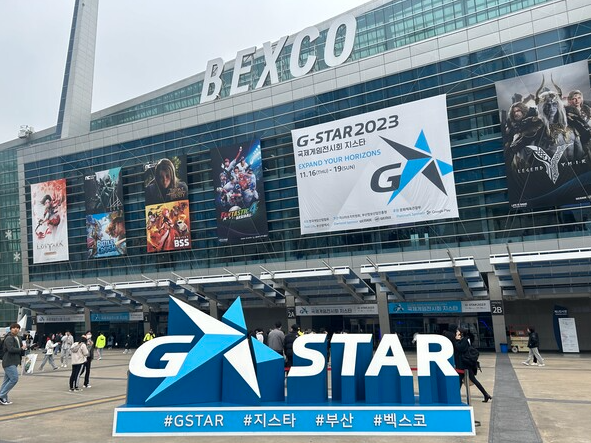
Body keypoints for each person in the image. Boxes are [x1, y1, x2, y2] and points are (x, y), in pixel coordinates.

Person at [455, 328, 492, 403]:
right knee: (461, 381)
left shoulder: (465, 340)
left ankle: (485, 394)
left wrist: (456, 341)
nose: (456, 332)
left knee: (471, 380)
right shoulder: (465, 339)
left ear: (461, 333)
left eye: (458, 331)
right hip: (463, 364)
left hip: (465, 365)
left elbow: (460, 348)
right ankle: (485, 394)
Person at [0, 323, 26, 405]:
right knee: (14, 378)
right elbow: (11, 349)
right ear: (10, 329)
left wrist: (24, 349)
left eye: (17, 328)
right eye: (14, 328)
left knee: (6, 381)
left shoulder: (18, 338)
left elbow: (20, 349)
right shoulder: (9, 338)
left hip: (14, 361)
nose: (16, 329)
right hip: (8, 361)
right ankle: (1, 396)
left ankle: (3, 398)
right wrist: (21, 349)